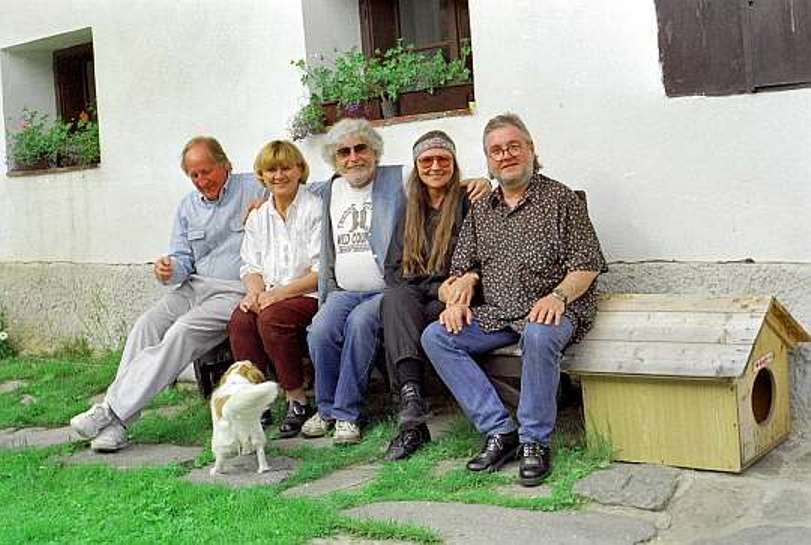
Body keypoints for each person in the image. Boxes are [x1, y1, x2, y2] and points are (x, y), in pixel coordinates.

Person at [421, 113, 606, 486]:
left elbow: (587, 264)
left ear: (531, 150)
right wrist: (457, 298)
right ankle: (499, 430)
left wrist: (557, 296)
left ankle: (534, 441)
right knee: (436, 336)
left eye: (513, 147)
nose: (505, 155)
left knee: (538, 333)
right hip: (499, 312)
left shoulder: (561, 199)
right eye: (496, 150)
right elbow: (459, 270)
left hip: (554, 309)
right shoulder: (481, 210)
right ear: (488, 161)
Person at [70, 136, 267, 452]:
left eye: (207, 172)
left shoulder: (255, 188)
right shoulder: (187, 207)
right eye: (194, 176)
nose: (202, 181)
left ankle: (110, 411)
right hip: (193, 287)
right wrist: (168, 269)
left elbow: (298, 185)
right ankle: (118, 421)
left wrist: (269, 205)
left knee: (182, 332)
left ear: (225, 164)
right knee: (145, 326)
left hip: (233, 291)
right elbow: (182, 260)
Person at [301, 118, 406, 445]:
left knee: (361, 325)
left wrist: (477, 182)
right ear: (335, 160)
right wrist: (257, 201)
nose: (353, 157)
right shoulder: (328, 188)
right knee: (320, 329)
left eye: (360, 148)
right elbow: (287, 189)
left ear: (375, 152)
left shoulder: (398, 178)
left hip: (385, 290)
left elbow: (441, 179)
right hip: (344, 291)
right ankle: (326, 408)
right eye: (343, 152)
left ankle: (347, 414)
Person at [380, 130, 473, 461]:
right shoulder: (410, 210)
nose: (435, 166)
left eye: (442, 159)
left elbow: (476, 261)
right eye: (427, 160)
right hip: (422, 294)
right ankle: (412, 399)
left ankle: (411, 424)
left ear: (453, 163)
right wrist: (432, 286)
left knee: (404, 312)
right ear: (417, 166)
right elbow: (393, 270)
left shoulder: (468, 202)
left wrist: (443, 288)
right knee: (394, 299)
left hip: (454, 300)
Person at [227, 140, 321, 438]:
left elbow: (320, 272)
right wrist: (254, 293)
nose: (278, 176)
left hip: (308, 295)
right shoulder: (258, 216)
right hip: (270, 295)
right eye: (271, 170)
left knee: (271, 317)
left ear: (299, 170)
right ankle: (257, 402)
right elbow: (250, 265)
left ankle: (296, 398)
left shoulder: (313, 208)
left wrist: (276, 295)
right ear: (261, 175)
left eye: (285, 168)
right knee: (241, 319)